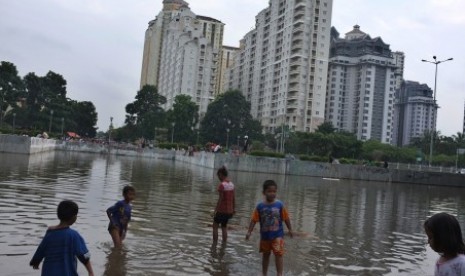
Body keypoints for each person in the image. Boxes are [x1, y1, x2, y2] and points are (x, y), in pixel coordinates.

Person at [30, 200, 94, 276]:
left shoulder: (50, 234)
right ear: (74, 217)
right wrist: (90, 272)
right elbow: (84, 255)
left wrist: (35, 262)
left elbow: (41, 249)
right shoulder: (73, 235)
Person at [245, 180, 293, 276]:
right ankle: (264, 273)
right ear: (264, 193)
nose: (272, 194)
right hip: (265, 237)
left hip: (277, 236)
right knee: (265, 256)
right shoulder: (260, 206)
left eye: (274, 191)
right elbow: (254, 220)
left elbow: (286, 218)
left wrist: (290, 229)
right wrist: (249, 232)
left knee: (279, 255)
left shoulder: (279, 205)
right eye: (269, 191)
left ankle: (279, 273)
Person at [213, 166, 235, 244]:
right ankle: (224, 244)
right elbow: (233, 198)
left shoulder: (222, 185)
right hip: (228, 211)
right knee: (224, 227)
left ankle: (214, 244)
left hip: (221, 210)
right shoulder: (232, 185)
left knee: (215, 226)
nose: (218, 178)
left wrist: (215, 210)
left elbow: (220, 199)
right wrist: (233, 209)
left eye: (218, 175)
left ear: (221, 175)